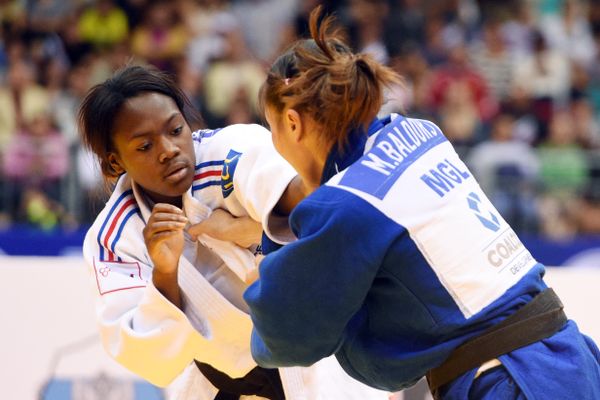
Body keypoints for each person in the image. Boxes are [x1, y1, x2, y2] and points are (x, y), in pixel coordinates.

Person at [242, 8, 600, 399]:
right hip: (568, 356)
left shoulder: (345, 204)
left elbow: (290, 337)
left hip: (510, 381)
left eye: (271, 128)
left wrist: (265, 277)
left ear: (292, 123)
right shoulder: (420, 131)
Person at [78, 65, 388, 400]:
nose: (168, 149)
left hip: (317, 360)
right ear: (114, 162)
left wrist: (251, 230)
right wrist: (165, 274)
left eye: (175, 129)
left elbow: (312, 207)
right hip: (224, 382)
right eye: (144, 147)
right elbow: (151, 359)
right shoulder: (113, 238)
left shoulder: (229, 151)